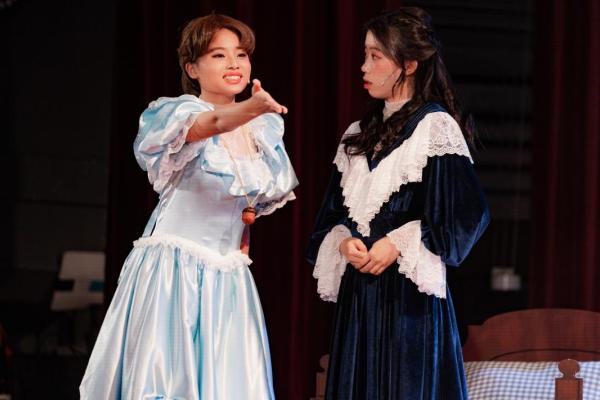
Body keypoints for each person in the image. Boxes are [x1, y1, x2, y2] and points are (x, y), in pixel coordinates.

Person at [80, 13, 298, 399]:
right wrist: (253, 106)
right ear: (192, 68)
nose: (233, 63)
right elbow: (210, 124)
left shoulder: (262, 129)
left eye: (241, 54)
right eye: (218, 55)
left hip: (227, 275)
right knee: (166, 380)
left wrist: (240, 241)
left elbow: (246, 207)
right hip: (174, 270)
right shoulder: (179, 113)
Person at [306, 8, 489, 399]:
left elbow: (466, 217)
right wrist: (343, 241)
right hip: (359, 301)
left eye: (376, 56)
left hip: (411, 303)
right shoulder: (356, 135)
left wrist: (401, 241)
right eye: (364, 54)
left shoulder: (434, 126)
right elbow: (330, 216)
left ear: (409, 64)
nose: (364, 66)